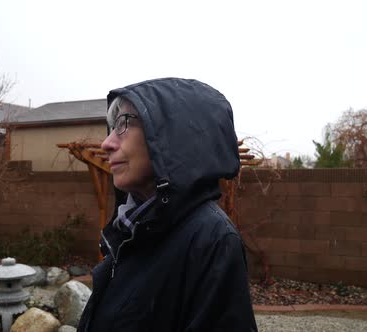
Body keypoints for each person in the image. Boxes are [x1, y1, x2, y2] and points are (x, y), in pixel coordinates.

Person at [77, 78, 258, 332]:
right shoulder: (132, 228)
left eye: (124, 124)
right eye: (112, 127)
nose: (107, 143)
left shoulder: (211, 239)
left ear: (170, 136)